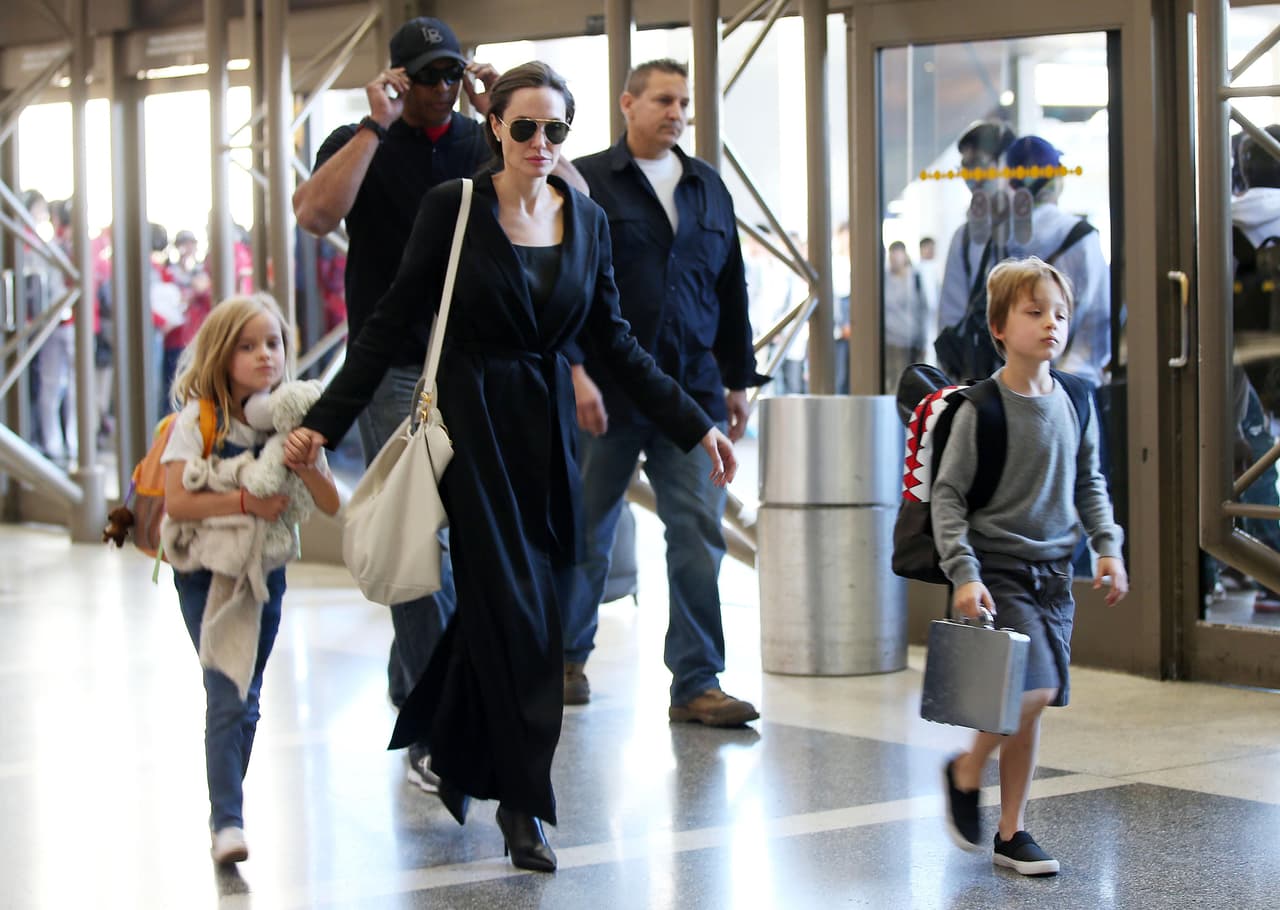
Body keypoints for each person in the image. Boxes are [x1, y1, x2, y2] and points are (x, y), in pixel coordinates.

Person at [286, 62, 736, 873]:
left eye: (555, 130)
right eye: (523, 126)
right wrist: (324, 424)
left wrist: (694, 424)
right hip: (472, 427)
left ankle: (452, 748)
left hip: (547, 434)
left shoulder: (586, 220)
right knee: (524, 619)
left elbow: (615, 343)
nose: (539, 143)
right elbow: (389, 325)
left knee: (519, 607)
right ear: (491, 124)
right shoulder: (454, 208)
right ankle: (525, 808)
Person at [292, 15, 497, 796]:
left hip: (474, 363)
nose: (442, 88)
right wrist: (375, 127)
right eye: (428, 76)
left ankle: (415, 666)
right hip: (394, 369)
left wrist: (496, 105)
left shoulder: (485, 138)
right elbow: (313, 216)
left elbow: (564, 202)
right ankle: (437, 717)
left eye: (452, 74)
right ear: (397, 79)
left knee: (464, 537)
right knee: (417, 536)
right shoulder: (360, 138)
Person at [564, 58, 768, 724]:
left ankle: (698, 682)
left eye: (684, 101)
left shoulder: (708, 186)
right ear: (627, 103)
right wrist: (576, 371)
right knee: (586, 530)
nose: (676, 112)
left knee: (697, 534)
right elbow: (565, 286)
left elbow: (730, 286)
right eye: (662, 100)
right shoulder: (588, 180)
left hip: (694, 398)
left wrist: (738, 377)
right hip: (612, 392)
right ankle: (564, 658)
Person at [935, 256, 1129, 876]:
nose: (1052, 324)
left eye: (1061, 314)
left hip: (1054, 576)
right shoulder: (980, 408)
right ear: (999, 326)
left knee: (1029, 707)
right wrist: (964, 573)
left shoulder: (1075, 397)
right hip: (999, 574)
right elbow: (948, 497)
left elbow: (1088, 479)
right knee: (1032, 688)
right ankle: (966, 771)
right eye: (1035, 311)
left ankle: (1012, 831)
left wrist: (1107, 545)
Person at [162, 293, 340, 864]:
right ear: (221, 354)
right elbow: (177, 502)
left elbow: (331, 503)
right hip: (205, 575)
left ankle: (226, 801)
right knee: (226, 691)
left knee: (249, 696)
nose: (265, 355)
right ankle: (227, 822)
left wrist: (308, 464)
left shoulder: (293, 420)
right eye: (248, 345)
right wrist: (244, 499)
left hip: (266, 571)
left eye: (273, 343)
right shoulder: (199, 421)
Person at [883, 239, 929, 384]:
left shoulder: (915, 278)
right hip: (889, 340)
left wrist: (923, 342)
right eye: (892, 256)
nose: (895, 259)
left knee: (906, 380)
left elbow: (923, 310)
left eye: (897, 255)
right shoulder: (883, 278)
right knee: (890, 379)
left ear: (904, 255)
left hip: (909, 340)